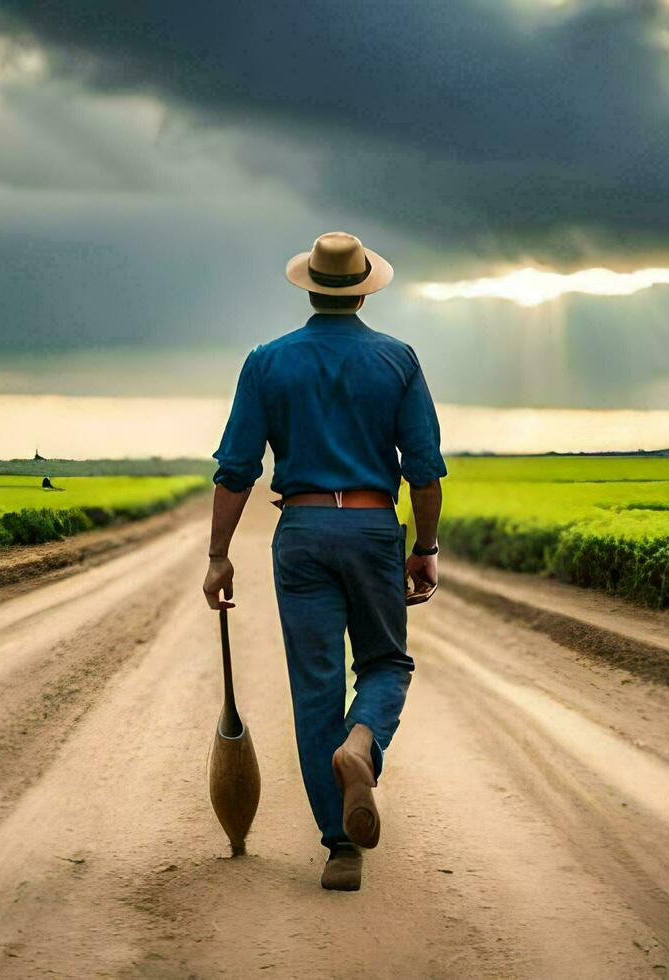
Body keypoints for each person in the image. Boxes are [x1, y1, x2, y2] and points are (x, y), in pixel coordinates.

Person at [202, 231, 446, 892]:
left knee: (315, 690)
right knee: (387, 663)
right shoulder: (398, 360)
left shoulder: (267, 362)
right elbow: (423, 470)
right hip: (371, 525)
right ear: (365, 288)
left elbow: (236, 471)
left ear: (309, 285)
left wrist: (219, 556)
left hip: (302, 528)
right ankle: (362, 743)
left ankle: (340, 848)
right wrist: (423, 547)